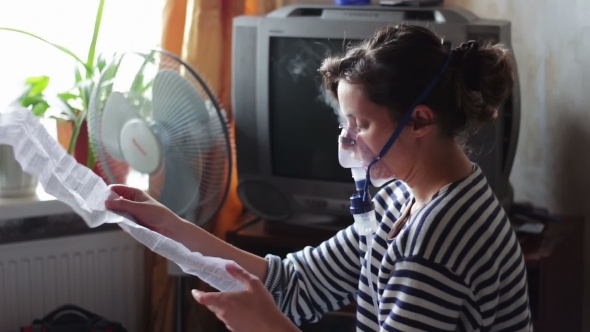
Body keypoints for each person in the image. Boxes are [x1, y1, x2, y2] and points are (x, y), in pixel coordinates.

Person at [105, 24, 533, 332]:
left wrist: (268, 325)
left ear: (420, 120)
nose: (346, 139)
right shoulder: (399, 198)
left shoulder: (441, 236)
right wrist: (169, 225)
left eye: (360, 124)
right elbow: (297, 282)